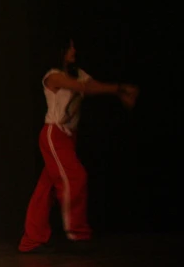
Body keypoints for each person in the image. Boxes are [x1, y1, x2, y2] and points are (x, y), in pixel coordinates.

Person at [18, 38, 138, 253]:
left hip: (69, 137)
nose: (74, 50)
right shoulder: (53, 76)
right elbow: (83, 88)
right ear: (60, 51)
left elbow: (92, 86)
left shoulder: (79, 73)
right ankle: (77, 234)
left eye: (74, 46)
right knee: (76, 177)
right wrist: (120, 88)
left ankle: (31, 240)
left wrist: (120, 93)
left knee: (47, 188)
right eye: (69, 47)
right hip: (54, 135)